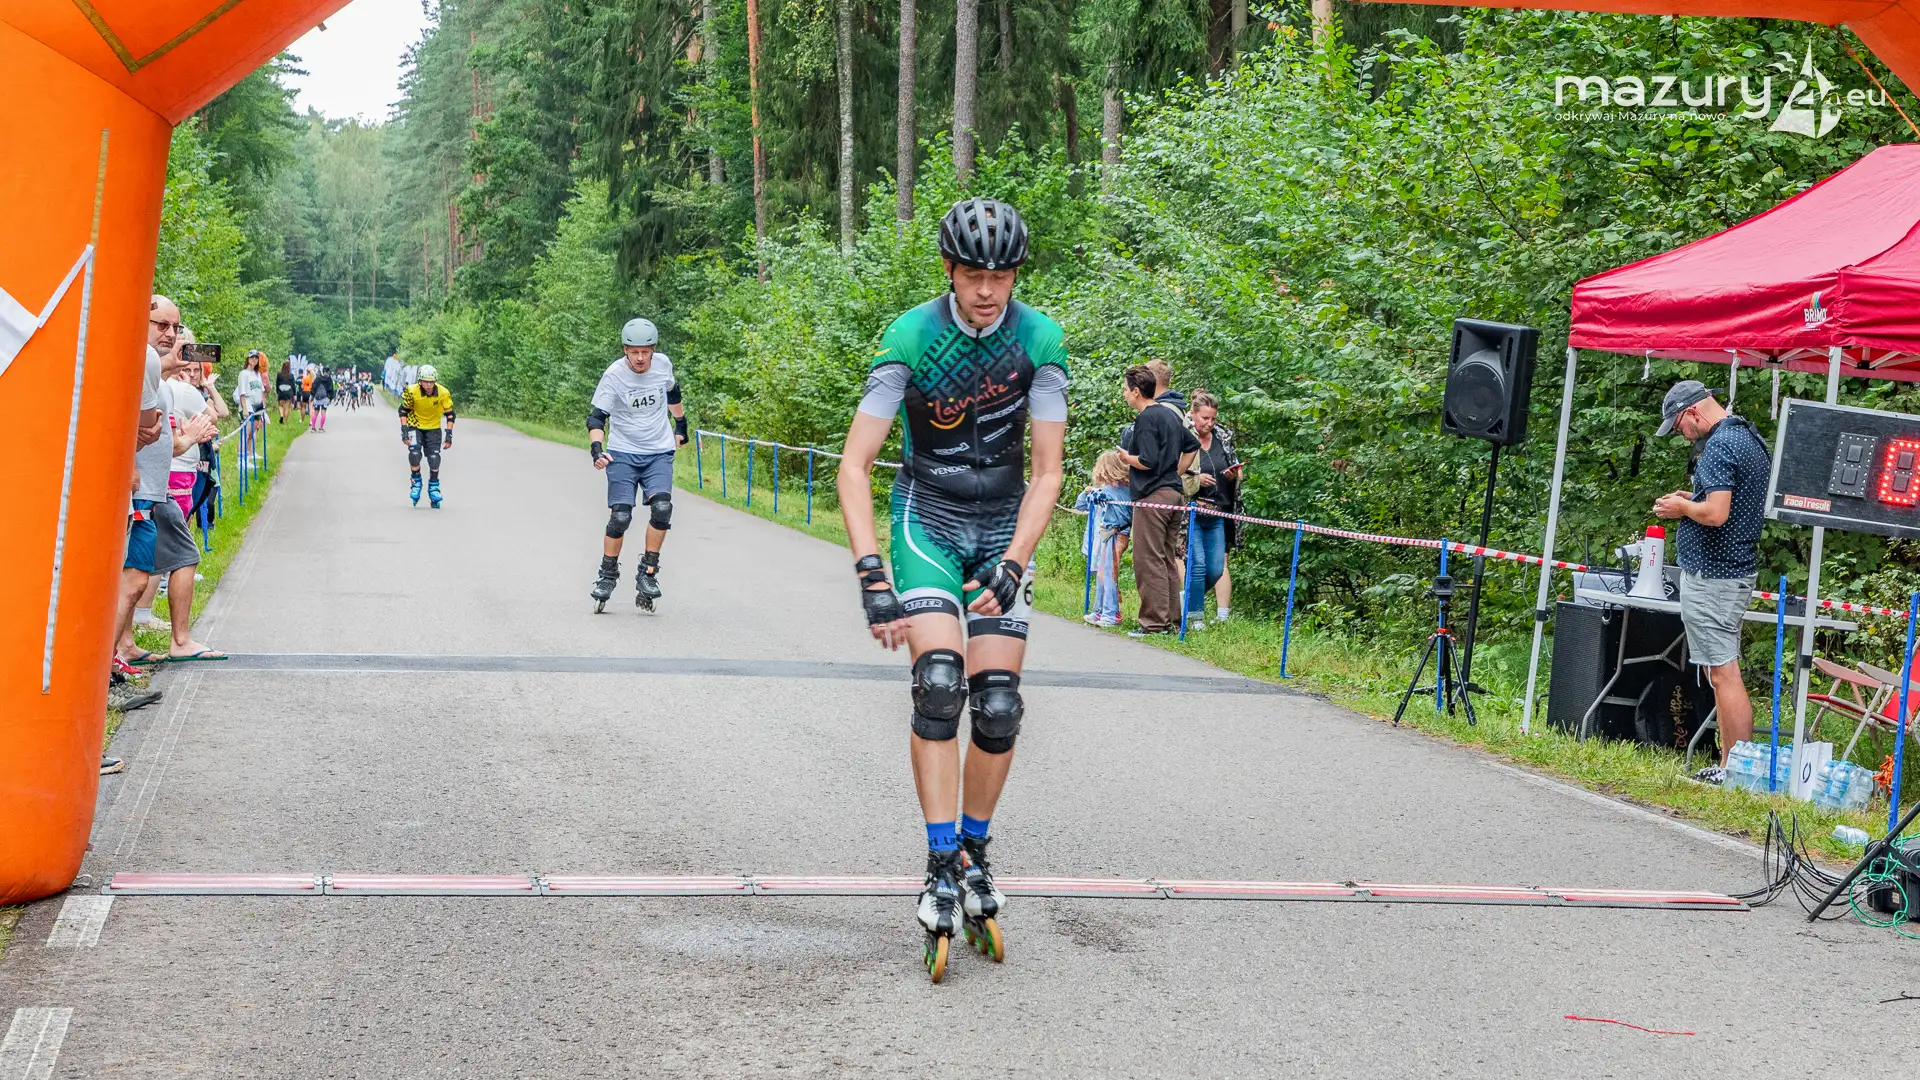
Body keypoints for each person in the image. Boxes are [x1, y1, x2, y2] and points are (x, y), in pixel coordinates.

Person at [836, 197, 1067, 982]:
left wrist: (1016, 561)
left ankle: (974, 851)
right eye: (973, 276)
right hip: (927, 519)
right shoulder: (909, 337)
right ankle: (939, 864)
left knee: (998, 705)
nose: (988, 291)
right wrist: (872, 573)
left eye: (1002, 277)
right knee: (941, 686)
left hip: (1003, 524)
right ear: (949, 270)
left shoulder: (1040, 340)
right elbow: (855, 465)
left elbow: (1049, 472)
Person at [1651, 379, 1769, 785]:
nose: (1683, 435)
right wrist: (1692, 500)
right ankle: (1728, 764)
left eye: (1680, 427)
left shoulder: (1718, 446)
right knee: (1722, 670)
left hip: (1714, 575)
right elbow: (1732, 504)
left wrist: (1682, 508)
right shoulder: (1747, 437)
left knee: (1723, 673)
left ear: (1693, 413)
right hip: (1733, 569)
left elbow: (1717, 514)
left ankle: (1735, 769)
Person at [116, 300, 226, 666]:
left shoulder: (153, 370)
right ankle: (112, 661)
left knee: (133, 577)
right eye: (162, 325)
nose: (171, 334)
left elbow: (157, 436)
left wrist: (186, 438)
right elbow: (140, 429)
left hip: (152, 487)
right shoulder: (144, 361)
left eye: (176, 328)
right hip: (144, 491)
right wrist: (132, 465)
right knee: (139, 577)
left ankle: (123, 647)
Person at [587, 318, 689, 612]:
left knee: (662, 509)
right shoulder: (614, 376)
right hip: (623, 452)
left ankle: (648, 572)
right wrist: (597, 449)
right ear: (625, 350)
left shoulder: (663, 365)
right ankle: (607, 575)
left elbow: (673, 392)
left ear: (653, 350)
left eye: (646, 352)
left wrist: (681, 424)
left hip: (658, 451)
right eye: (635, 352)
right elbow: (597, 417)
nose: (641, 358)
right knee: (620, 517)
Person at [1117, 364, 1198, 637]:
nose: (1124, 394)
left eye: (1126, 389)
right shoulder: (1169, 414)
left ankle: (1153, 622)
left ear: (1136, 392)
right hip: (1174, 495)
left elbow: (1147, 460)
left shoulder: (1147, 418)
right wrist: (1175, 473)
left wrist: (1126, 458)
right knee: (1166, 558)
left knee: (1147, 559)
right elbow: (1192, 445)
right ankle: (1172, 620)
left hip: (1152, 497)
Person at [1184, 390, 1243, 627]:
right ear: (1193, 414)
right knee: (1197, 564)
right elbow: (1174, 472)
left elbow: (1237, 469)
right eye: (1205, 418)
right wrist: (1197, 479)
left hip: (1219, 511)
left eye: (1213, 419)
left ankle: (1187, 601)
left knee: (1217, 568)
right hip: (1192, 511)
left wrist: (1234, 475)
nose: (1209, 423)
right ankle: (1195, 616)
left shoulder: (1223, 439)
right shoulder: (1183, 436)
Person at [1073, 450, 1133, 628]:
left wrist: (1093, 493)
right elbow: (1082, 504)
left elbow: (1092, 501)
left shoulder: (1117, 491)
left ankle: (1111, 613)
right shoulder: (1116, 490)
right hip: (1109, 536)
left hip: (1116, 535)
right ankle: (1100, 610)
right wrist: (1088, 493)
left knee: (1108, 574)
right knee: (1102, 574)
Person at [399, 364, 455, 507]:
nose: (429, 385)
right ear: (420, 381)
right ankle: (416, 481)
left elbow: (450, 414)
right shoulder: (411, 391)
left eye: (431, 382)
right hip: (414, 426)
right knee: (414, 454)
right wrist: (404, 431)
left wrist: (449, 435)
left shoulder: (443, 392)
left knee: (434, 458)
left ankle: (434, 486)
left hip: (433, 429)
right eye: (425, 382)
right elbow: (403, 411)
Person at [310, 364, 335, 432]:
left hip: (317, 398)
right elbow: (331, 389)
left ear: (323, 371)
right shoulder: (329, 379)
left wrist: (312, 395)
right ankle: (321, 428)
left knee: (316, 412)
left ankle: (313, 428)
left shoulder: (318, 378)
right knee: (323, 412)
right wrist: (330, 398)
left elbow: (313, 387)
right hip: (325, 398)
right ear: (328, 371)